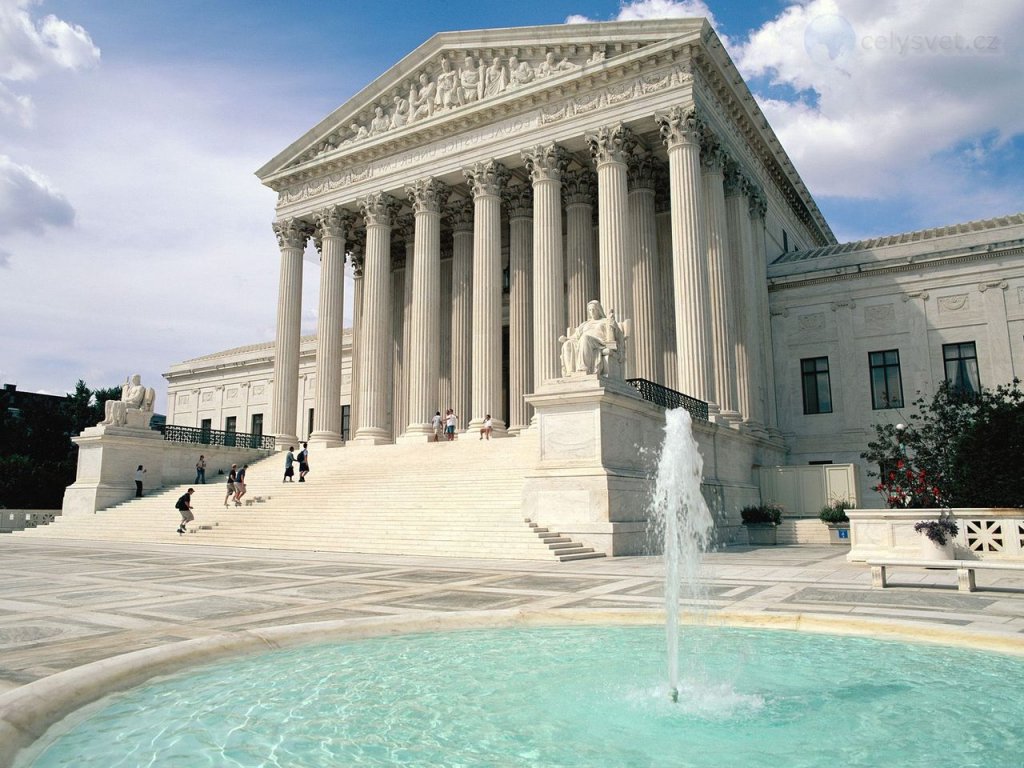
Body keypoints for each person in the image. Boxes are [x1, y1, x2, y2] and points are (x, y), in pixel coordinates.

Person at [559, 299, 624, 377]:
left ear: (598, 310)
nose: (592, 312)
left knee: (585, 338)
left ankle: (583, 368)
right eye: (590, 310)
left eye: (593, 309)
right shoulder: (585, 324)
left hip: (599, 342)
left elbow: (617, 335)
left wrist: (611, 322)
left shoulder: (605, 321)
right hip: (583, 341)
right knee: (567, 344)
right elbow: (575, 336)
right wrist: (566, 339)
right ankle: (570, 372)